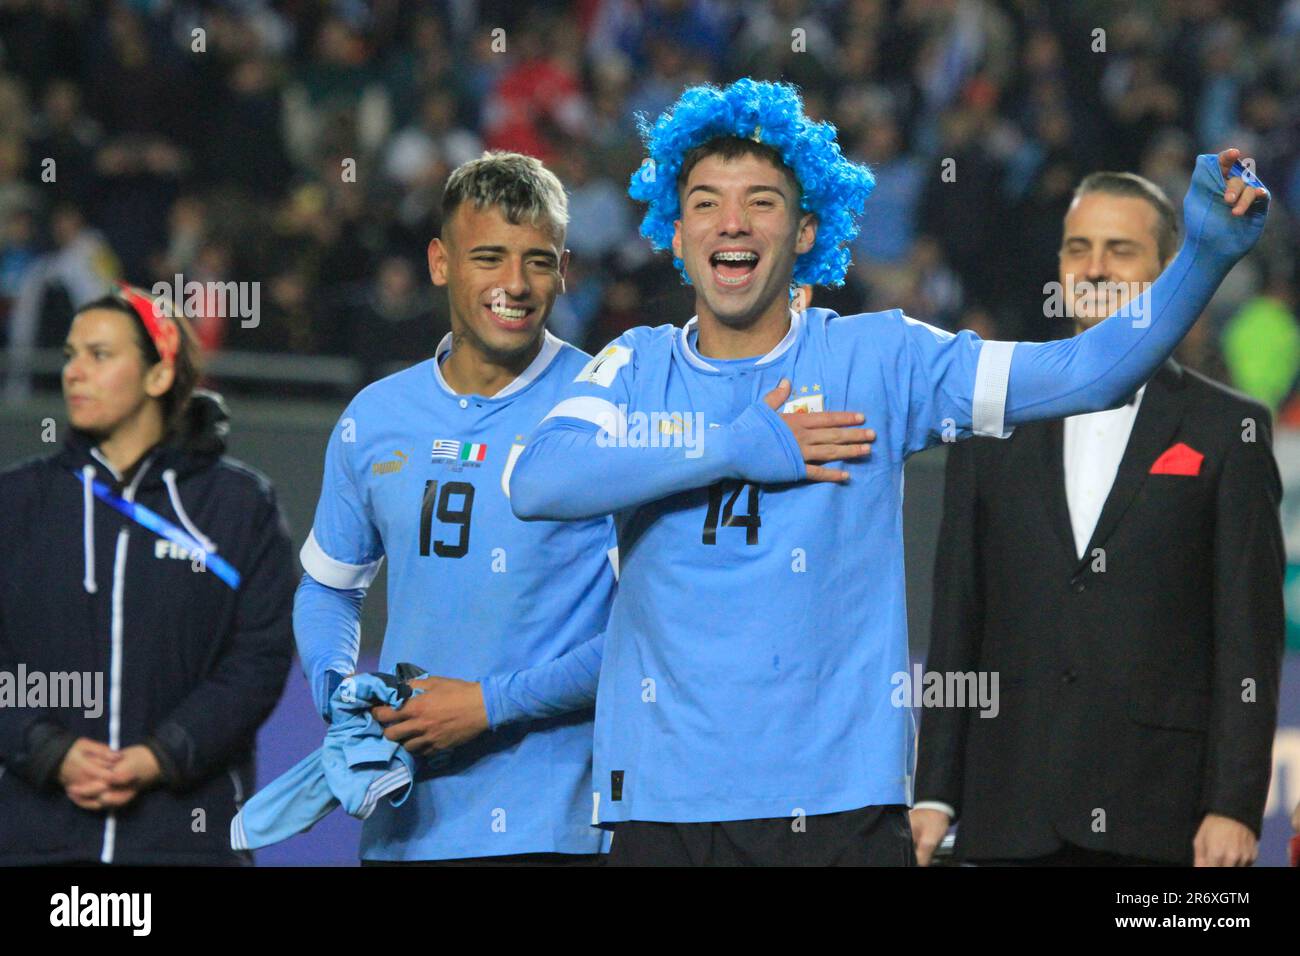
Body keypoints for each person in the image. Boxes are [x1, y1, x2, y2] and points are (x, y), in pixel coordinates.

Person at [506, 78, 1269, 866]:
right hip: (662, 807)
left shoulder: (882, 357)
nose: (732, 222)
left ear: (807, 230)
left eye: (762, 202)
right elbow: (538, 481)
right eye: (704, 201)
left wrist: (1203, 255)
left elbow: (1088, 373)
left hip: (841, 811)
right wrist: (738, 444)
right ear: (674, 228)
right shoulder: (632, 364)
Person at [909, 171, 1284, 867]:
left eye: (1120, 249)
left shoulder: (1228, 428)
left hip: (1160, 818)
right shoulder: (989, 420)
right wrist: (934, 792)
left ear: (1170, 270)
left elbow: (1246, 640)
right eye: (1077, 247)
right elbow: (956, 622)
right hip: (1006, 811)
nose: (1095, 268)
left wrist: (1232, 804)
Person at [293, 151, 617, 865]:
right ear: (441, 263)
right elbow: (328, 586)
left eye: (538, 261)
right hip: (403, 831)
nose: (514, 284)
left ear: (564, 270)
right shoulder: (375, 416)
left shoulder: (607, 408)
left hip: (555, 833)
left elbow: (648, 628)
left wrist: (489, 705)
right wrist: (335, 689)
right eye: (490, 257)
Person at [0, 285, 295, 864]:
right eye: (69, 355)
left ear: (159, 377)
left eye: (100, 355)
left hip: (187, 844)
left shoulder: (240, 506)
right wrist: (44, 749)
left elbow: (258, 660)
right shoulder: (16, 503)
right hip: (31, 840)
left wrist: (161, 756)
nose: (74, 373)